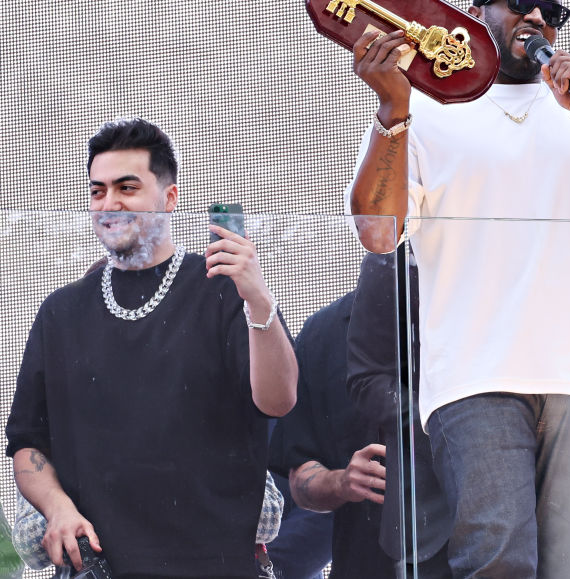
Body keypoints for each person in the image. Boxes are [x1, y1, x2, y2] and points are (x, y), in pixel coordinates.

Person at [346, 0, 570, 578]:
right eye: (519, 0)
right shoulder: (425, 110)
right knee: (497, 556)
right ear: (475, 16)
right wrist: (392, 111)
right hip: (476, 373)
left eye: (553, 12)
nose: (536, 18)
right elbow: (378, 234)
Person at [5, 117, 298, 577]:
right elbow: (26, 443)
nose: (110, 203)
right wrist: (57, 507)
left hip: (215, 565)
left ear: (169, 197)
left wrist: (258, 298)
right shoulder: (61, 313)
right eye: (97, 190)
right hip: (100, 566)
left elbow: (278, 400)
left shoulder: (222, 289)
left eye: (127, 187)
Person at [267, 290, 392, 578]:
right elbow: (300, 480)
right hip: (364, 563)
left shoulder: (478, 311)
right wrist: (343, 482)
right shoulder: (322, 334)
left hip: (470, 558)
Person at [346, 250, 453, 578]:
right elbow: (366, 379)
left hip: (531, 503)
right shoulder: (396, 253)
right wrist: (449, 426)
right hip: (430, 521)